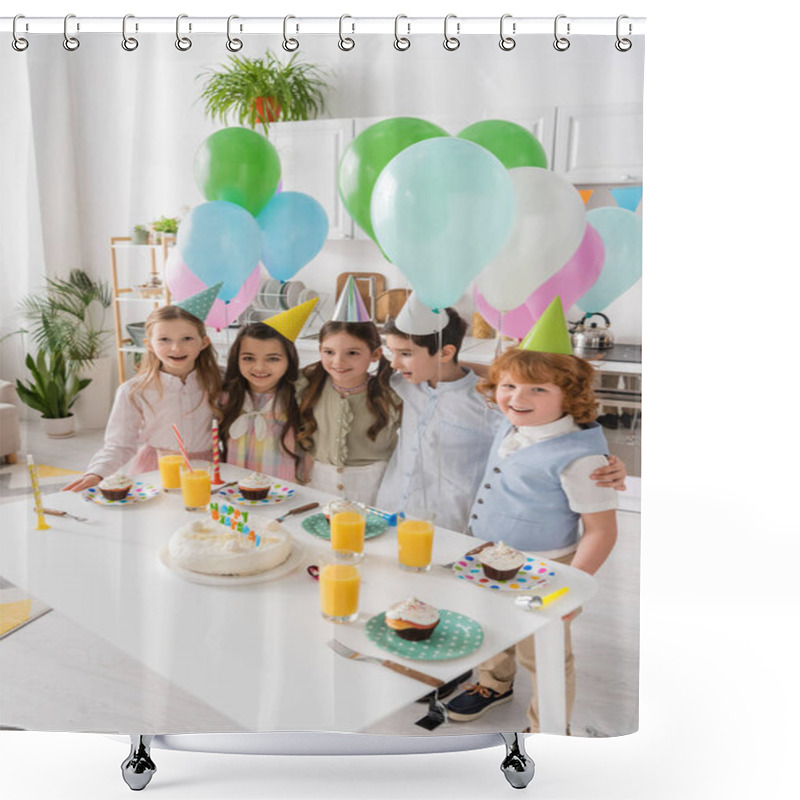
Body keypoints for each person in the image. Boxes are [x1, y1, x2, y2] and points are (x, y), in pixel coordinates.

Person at [444, 297, 618, 732]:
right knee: (490, 626)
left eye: (537, 389)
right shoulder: (513, 421)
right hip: (487, 551)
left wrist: (569, 589)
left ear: (570, 396)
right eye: (508, 385)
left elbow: (601, 532)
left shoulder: (582, 459)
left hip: (545, 566)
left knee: (542, 651)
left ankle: (549, 728)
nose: (517, 398)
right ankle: (493, 683)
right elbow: (480, 376)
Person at [376, 292, 626, 532]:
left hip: (452, 523)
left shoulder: (493, 401)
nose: (395, 363)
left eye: (405, 354)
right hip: (389, 509)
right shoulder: (401, 383)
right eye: (392, 353)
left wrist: (604, 461)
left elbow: (554, 432)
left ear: (446, 352)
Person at [64, 300, 222, 491]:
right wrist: (96, 473)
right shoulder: (134, 390)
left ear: (204, 342)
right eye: (164, 339)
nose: (176, 348)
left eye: (187, 338)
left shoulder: (222, 381)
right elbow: (119, 445)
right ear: (149, 344)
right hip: (155, 469)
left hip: (207, 468)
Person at [218, 300, 318, 483]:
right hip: (235, 491)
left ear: (289, 360)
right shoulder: (227, 396)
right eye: (248, 358)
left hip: (284, 493)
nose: (259, 367)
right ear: (236, 359)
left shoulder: (299, 397)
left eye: (273, 359)